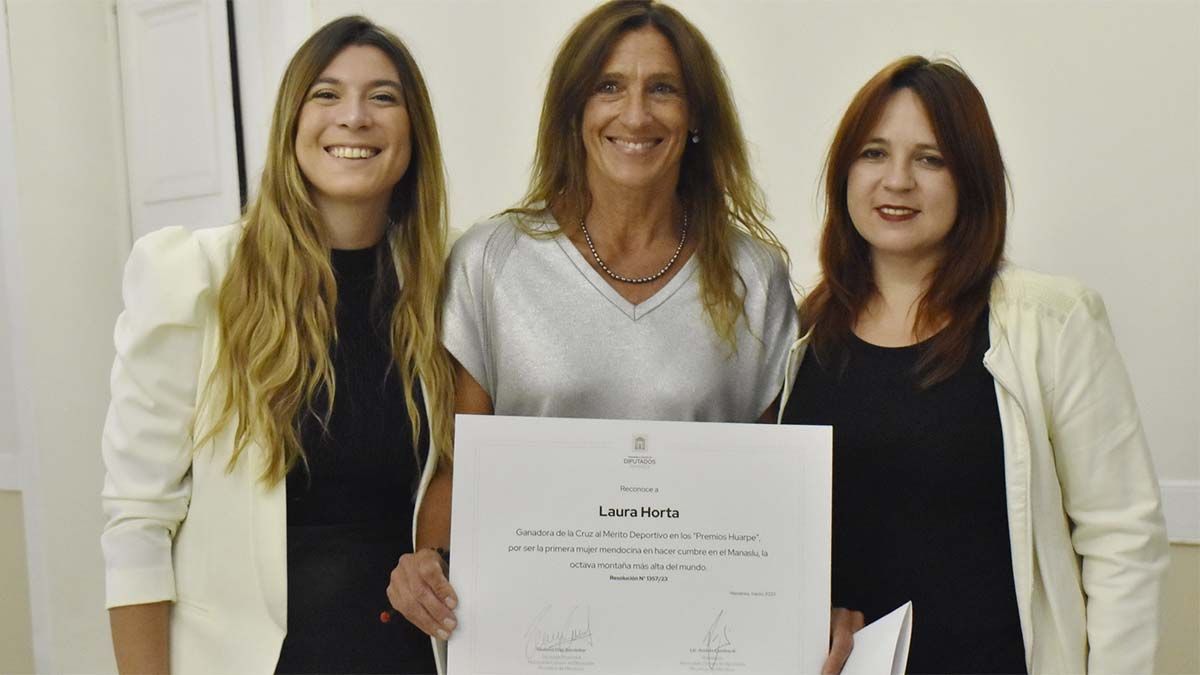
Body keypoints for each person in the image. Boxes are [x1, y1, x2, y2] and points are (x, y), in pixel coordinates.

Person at [384, 0, 831, 672]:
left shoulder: (753, 276)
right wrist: (429, 566)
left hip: (697, 649)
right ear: (574, 110)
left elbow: (765, 496)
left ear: (698, 116)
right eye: (609, 86)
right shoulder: (490, 259)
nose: (635, 114)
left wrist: (798, 611)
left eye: (664, 89)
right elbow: (457, 468)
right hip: (533, 645)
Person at [780, 55, 1169, 674]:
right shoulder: (799, 329)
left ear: (972, 178)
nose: (897, 180)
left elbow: (1122, 538)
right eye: (874, 153)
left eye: (930, 159)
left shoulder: (1051, 321)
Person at [101, 16, 453, 673]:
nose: (354, 117)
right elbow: (137, 523)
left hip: (410, 657)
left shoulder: (449, 288)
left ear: (414, 133)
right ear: (292, 122)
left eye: (383, 97)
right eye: (325, 94)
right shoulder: (194, 275)